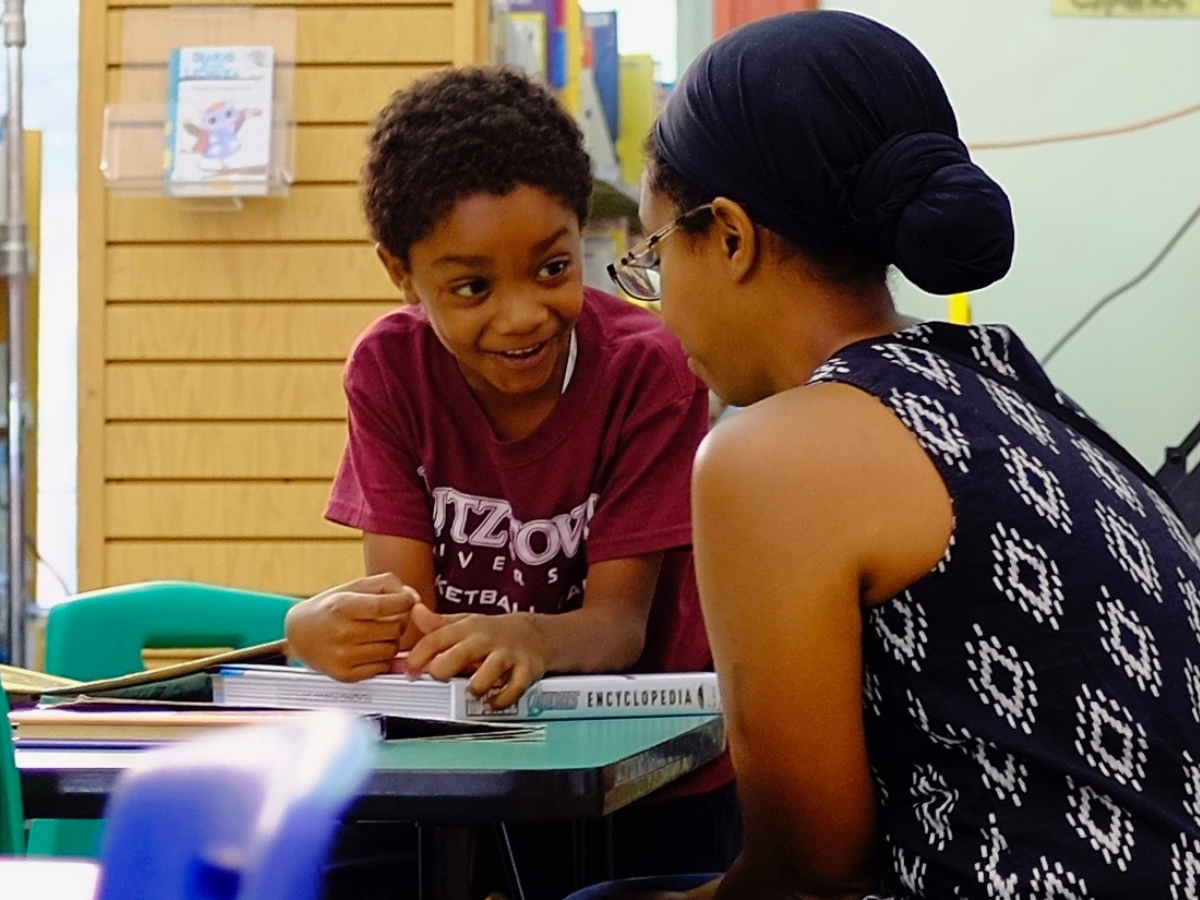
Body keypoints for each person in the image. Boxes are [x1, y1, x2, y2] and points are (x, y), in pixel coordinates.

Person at [577, 9, 1200, 900]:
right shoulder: (1003, 386)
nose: (659, 307)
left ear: (731, 238)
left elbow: (809, 873)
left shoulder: (772, 455)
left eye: (651, 257)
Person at [281, 67, 738, 899]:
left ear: (582, 238)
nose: (522, 313)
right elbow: (404, 617)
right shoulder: (388, 370)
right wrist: (314, 629)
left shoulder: (650, 369)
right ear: (401, 273)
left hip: (645, 768)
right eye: (472, 288)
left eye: (553, 267)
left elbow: (618, 628)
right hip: (467, 759)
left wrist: (529, 637)